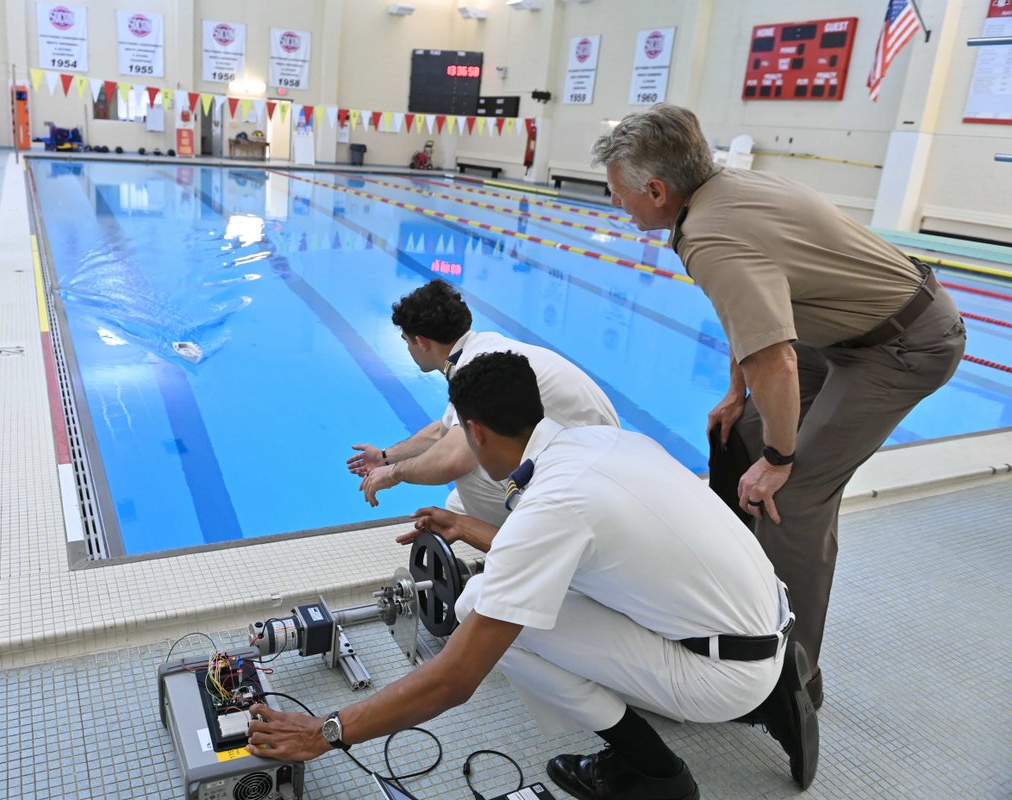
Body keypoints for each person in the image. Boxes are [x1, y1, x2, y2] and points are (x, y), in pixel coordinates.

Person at [248, 352, 818, 798]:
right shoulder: (601, 440)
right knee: (542, 589)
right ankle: (772, 698)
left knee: (480, 610)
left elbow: (457, 676)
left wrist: (324, 731)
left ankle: (654, 774)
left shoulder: (550, 504)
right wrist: (468, 527)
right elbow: (560, 549)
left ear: (477, 433)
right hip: (766, 614)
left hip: (723, 670)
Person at [591, 104, 966, 708]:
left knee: (788, 493)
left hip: (902, 346)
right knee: (737, 433)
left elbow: (777, 359)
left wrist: (780, 458)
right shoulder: (722, 192)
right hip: (847, 331)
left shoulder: (709, 236)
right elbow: (758, 320)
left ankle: (790, 678)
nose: (617, 205)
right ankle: (733, 595)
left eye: (618, 194)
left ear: (656, 190)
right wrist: (737, 395)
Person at [348, 279, 619, 526]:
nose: (407, 349)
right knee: (457, 503)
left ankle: (517, 549)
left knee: (468, 471)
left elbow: (453, 458)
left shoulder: (474, 363)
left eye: (406, 341)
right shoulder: (481, 349)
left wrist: (394, 475)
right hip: (601, 469)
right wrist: (385, 457)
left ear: (421, 341)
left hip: (588, 488)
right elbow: (442, 432)